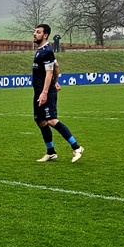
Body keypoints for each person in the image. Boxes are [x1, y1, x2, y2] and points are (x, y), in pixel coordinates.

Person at [31, 24, 84, 163]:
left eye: (38, 32)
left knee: (51, 120)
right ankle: (51, 152)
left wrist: (45, 92)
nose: (34, 34)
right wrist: (55, 81)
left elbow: (49, 71)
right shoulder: (41, 50)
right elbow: (56, 66)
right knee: (40, 121)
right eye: (35, 32)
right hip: (39, 92)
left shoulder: (47, 50)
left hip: (45, 93)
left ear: (45, 35)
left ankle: (77, 148)